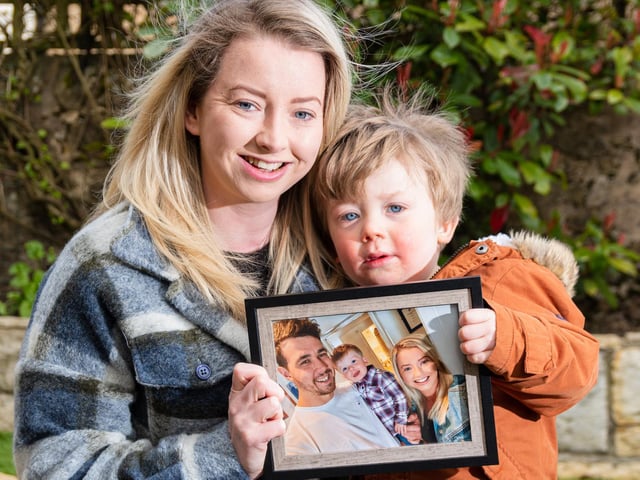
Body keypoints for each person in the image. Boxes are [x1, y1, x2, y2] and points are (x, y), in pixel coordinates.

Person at [12, 1, 355, 479]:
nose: (275, 138)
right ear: (192, 109)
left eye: (302, 113)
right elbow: (55, 463)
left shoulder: (342, 255)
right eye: (246, 104)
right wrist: (222, 454)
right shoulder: (108, 266)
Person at [303, 87, 600, 478]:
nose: (371, 229)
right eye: (349, 216)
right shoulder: (331, 313)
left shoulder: (500, 278)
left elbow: (576, 373)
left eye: (395, 208)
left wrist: (503, 337)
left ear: (445, 223)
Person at [273, 318, 401, 454]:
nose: (322, 367)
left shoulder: (357, 387)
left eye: (322, 354)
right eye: (305, 361)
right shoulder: (298, 442)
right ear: (286, 374)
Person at [391, 334, 471, 444]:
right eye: (408, 368)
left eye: (424, 362)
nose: (418, 373)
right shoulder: (407, 411)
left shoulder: (465, 391)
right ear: (401, 376)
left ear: (435, 361)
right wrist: (419, 442)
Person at [331, 343, 409, 438]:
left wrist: (401, 420)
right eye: (344, 368)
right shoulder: (356, 388)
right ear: (344, 376)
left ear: (364, 360)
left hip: (404, 426)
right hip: (389, 434)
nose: (351, 368)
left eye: (353, 361)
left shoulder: (380, 377)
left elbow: (400, 397)